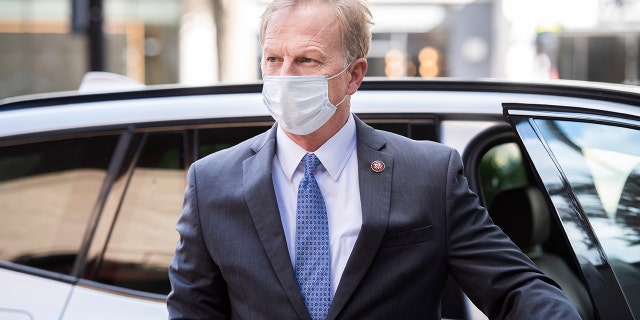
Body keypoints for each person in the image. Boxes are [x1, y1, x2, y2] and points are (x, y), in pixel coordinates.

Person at [167, 0, 581, 319]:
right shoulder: (212, 182)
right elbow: (192, 310)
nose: (284, 77)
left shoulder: (427, 176)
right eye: (273, 59)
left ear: (354, 74)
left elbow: (516, 289)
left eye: (307, 60)